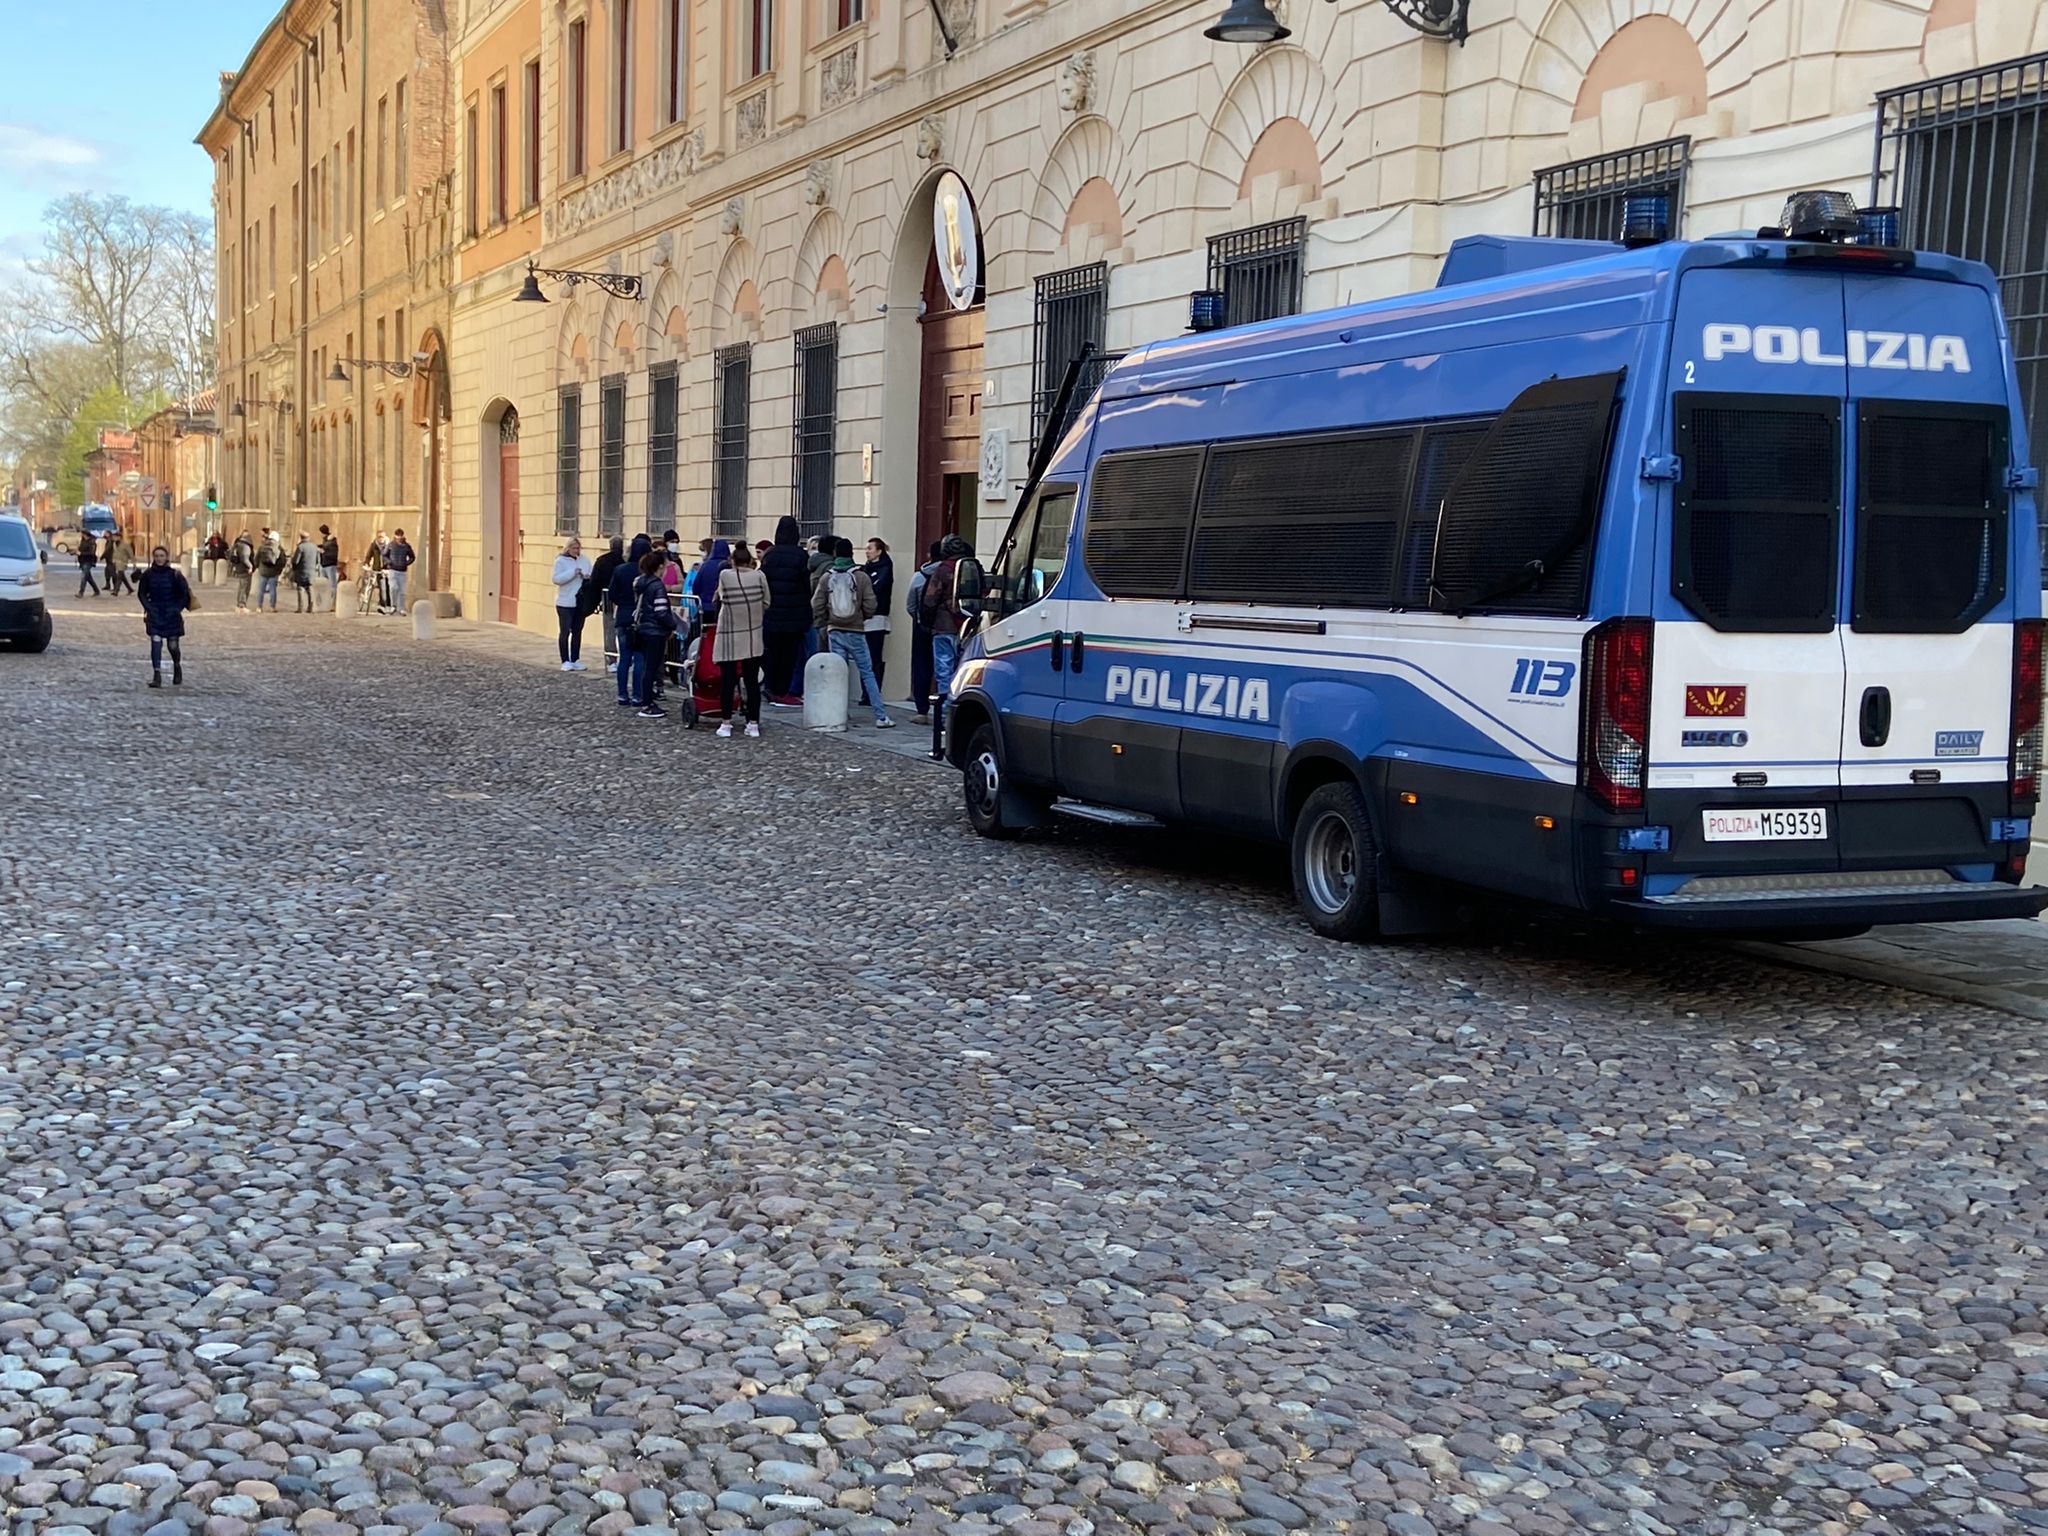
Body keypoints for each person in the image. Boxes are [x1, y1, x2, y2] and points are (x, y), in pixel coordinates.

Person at [814, 537, 894, 728]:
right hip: (856, 630)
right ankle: (881, 716)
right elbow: (871, 604)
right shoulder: (861, 577)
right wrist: (862, 617)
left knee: (838, 674)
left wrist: (827, 620)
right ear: (851, 553)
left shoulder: (827, 576)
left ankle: (838, 714)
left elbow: (816, 604)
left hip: (835, 630)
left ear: (835, 554)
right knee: (867, 672)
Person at [714, 541, 769, 737]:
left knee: (728, 681)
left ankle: (726, 724)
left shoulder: (725, 575)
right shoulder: (759, 576)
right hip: (753, 633)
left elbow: (721, 596)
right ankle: (753, 724)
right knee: (752, 682)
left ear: (732, 560)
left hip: (729, 633)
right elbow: (767, 601)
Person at [761, 516, 812, 704]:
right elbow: (806, 586)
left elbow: (764, 581)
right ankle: (783, 690)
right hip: (794, 615)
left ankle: (770, 686)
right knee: (789, 655)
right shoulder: (801, 556)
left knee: (771, 652)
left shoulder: (770, 555)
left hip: (772, 612)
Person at [135, 545, 193, 688]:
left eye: (162, 556)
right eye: (156, 556)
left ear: (166, 557)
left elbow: (184, 594)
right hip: (155, 613)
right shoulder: (148, 575)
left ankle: (177, 665)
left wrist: (177, 608)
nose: (159, 559)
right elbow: (141, 593)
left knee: (173, 646)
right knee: (156, 643)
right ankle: (157, 675)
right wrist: (148, 607)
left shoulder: (175, 575)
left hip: (171, 614)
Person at [630, 549, 679, 718]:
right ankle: (648, 703)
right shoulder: (657, 585)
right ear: (659, 567)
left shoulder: (640, 582)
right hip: (655, 630)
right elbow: (661, 611)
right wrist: (673, 625)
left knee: (646, 666)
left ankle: (646, 700)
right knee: (652, 667)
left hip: (643, 628)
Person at [609, 533, 653, 707]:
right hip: (641, 617)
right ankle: (637, 695)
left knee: (624, 658)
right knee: (639, 658)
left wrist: (622, 602)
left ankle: (622, 694)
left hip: (623, 615)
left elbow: (612, 594)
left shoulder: (620, 569)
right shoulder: (646, 573)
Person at [907, 540, 943, 722]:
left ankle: (922, 710)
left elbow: (910, 606)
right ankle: (944, 710)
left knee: (922, 667)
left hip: (923, 628)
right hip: (945, 628)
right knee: (946, 668)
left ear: (930, 555)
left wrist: (920, 619)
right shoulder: (951, 573)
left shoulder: (918, 576)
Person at [860, 538, 894, 708]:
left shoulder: (885, 568)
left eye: (870, 548)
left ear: (879, 551)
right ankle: (865, 692)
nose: (867, 551)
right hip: (864, 618)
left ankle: (873, 693)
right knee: (864, 656)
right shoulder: (866, 568)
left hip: (877, 616)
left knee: (874, 656)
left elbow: (875, 589)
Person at [553, 536, 594, 670]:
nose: (576, 551)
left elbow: (591, 574)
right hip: (565, 601)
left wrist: (586, 576)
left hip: (580, 601)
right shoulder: (560, 561)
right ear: (568, 548)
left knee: (577, 631)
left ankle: (575, 658)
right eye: (573, 548)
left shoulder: (584, 560)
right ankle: (565, 660)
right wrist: (572, 573)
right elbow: (556, 579)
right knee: (565, 631)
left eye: (578, 548)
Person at [591, 535, 626, 672]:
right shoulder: (625, 561)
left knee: (609, 630)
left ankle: (611, 659)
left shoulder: (602, 561)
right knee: (623, 630)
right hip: (623, 600)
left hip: (608, 599)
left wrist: (595, 601)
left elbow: (594, 582)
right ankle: (625, 657)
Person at [254, 532, 287, 612]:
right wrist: (279, 570)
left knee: (261, 590)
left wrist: (258, 567)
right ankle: (272, 607)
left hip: (263, 571)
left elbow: (256, 558)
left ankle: (259, 607)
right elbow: (283, 561)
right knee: (273, 590)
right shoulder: (279, 548)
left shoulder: (262, 546)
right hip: (273, 572)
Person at [385, 529, 416, 614]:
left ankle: (401, 608)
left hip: (402, 571)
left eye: (400, 535)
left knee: (402, 591)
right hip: (393, 570)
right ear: (395, 536)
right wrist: (389, 562)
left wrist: (406, 563)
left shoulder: (407, 546)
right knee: (393, 587)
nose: (399, 537)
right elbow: (384, 555)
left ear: (403, 536)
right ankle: (393, 605)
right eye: (397, 535)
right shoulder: (391, 545)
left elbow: (412, 557)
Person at [291, 531, 321, 612]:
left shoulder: (300, 547)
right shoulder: (314, 547)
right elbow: (318, 560)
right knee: (310, 588)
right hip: (311, 571)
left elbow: (295, 561)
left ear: (301, 538)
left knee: (300, 589)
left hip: (301, 571)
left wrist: (293, 567)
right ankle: (311, 607)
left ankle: (300, 608)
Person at [229, 529, 255, 611]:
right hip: (244, 569)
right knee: (245, 587)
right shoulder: (245, 546)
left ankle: (239, 604)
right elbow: (245, 558)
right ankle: (242, 605)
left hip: (239, 568)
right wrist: (250, 566)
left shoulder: (237, 544)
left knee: (241, 587)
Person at [318, 525, 340, 609]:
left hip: (330, 565)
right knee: (324, 585)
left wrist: (323, 552)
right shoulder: (326, 540)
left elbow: (333, 555)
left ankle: (333, 604)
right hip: (324, 564)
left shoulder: (332, 542)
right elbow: (325, 547)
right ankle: (325, 602)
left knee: (332, 585)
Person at [106, 531, 133, 596]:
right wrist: (113, 560)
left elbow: (130, 553)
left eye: (115, 537)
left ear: (119, 537)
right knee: (122, 576)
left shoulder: (125, 544)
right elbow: (114, 553)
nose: (113, 538)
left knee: (119, 576)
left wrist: (134, 563)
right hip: (116, 562)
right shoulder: (114, 544)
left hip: (123, 562)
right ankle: (130, 589)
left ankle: (116, 591)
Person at [76, 531, 101, 597]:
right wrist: (76, 552)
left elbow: (91, 553)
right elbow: (80, 550)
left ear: (85, 534)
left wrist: (81, 553)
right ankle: (96, 591)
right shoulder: (83, 541)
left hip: (88, 561)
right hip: (82, 561)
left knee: (84, 576)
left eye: (82, 534)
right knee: (88, 578)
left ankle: (81, 592)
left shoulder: (92, 542)